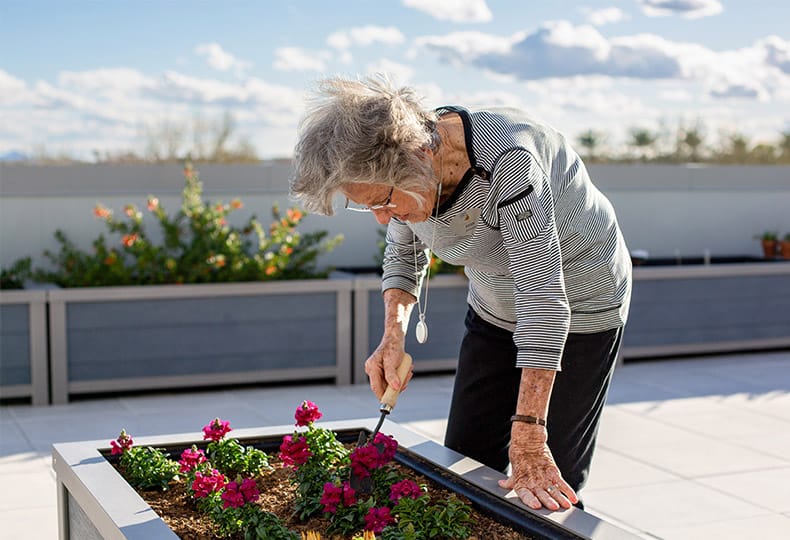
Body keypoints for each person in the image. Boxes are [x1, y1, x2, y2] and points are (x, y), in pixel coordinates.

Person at [290, 75, 632, 512]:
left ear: (421, 156)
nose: (380, 217)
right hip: (494, 305)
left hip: (582, 304)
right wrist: (393, 336)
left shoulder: (509, 164)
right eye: (368, 205)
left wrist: (528, 432)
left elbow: (543, 300)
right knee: (465, 464)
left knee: (542, 483)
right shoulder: (407, 175)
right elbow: (403, 253)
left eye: (384, 201)